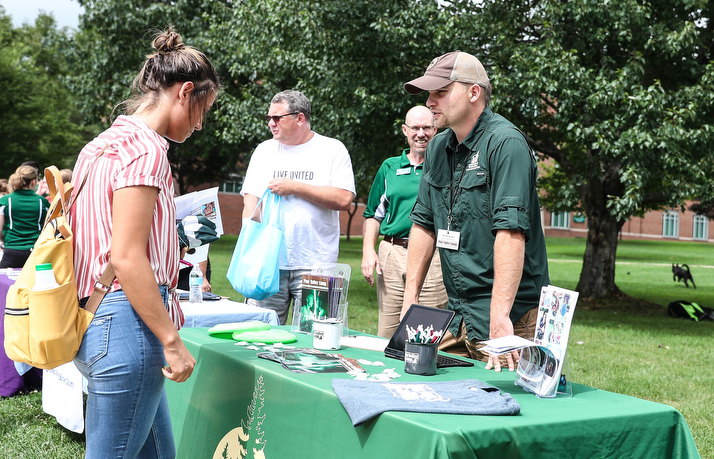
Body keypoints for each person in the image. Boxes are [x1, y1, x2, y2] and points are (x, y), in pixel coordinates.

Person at [68, 27, 218, 459]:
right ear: (186, 92)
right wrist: (172, 341)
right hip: (128, 326)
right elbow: (127, 256)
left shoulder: (100, 145)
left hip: (95, 315)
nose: (201, 122)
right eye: (204, 108)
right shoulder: (147, 151)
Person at [401, 51, 550, 372]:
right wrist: (410, 300)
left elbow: (510, 233)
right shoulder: (439, 147)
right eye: (429, 93)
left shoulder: (505, 144)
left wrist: (499, 318)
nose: (430, 102)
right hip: (457, 312)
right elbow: (424, 223)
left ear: (473, 92)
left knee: (514, 412)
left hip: (510, 315)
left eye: (441, 92)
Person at [240, 90, 356, 325]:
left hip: (317, 265)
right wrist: (250, 244)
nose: (271, 123)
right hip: (269, 264)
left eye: (277, 118)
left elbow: (344, 199)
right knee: (259, 334)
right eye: (269, 118)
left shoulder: (332, 149)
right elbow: (251, 201)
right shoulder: (264, 150)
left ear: (300, 118)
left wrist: (295, 187)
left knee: (316, 338)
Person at [362, 106, 448, 339]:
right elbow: (373, 215)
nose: (421, 133)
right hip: (393, 253)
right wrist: (368, 251)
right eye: (415, 128)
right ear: (405, 130)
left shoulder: (448, 166)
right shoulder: (389, 167)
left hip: (434, 257)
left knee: (427, 332)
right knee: (388, 330)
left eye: (427, 128)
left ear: (435, 129)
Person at [0, 166, 50, 268]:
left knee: (5, 282)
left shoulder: (4, 200)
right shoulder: (42, 201)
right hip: (35, 251)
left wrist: (6, 241)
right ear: (34, 181)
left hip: (12, 249)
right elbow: (48, 228)